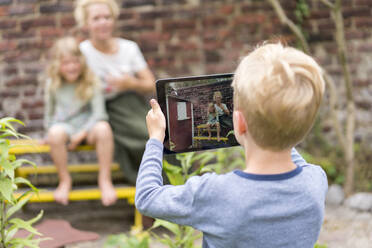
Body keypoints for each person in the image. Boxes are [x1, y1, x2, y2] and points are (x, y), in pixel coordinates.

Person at [135, 43, 328, 247]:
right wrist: (263, 129)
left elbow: (147, 197)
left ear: (239, 122)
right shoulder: (315, 181)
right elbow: (285, 138)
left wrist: (156, 138)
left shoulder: (216, 194)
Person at [74, 0, 156, 185]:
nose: (103, 22)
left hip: (130, 105)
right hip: (99, 109)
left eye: (107, 17)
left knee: (156, 135)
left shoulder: (129, 48)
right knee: (145, 137)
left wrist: (129, 83)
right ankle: (147, 186)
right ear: (86, 24)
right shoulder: (82, 52)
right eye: (96, 18)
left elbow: (150, 83)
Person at [44, 37, 117, 206]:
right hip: (65, 127)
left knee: (104, 128)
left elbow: (100, 115)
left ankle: (105, 180)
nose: (71, 67)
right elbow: (48, 116)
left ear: (82, 62)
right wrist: (48, 132)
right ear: (57, 65)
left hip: (88, 127)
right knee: (54, 133)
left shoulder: (91, 81)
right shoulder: (53, 84)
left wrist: (82, 133)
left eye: (75, 62)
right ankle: (64, 181)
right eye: (66, 63)